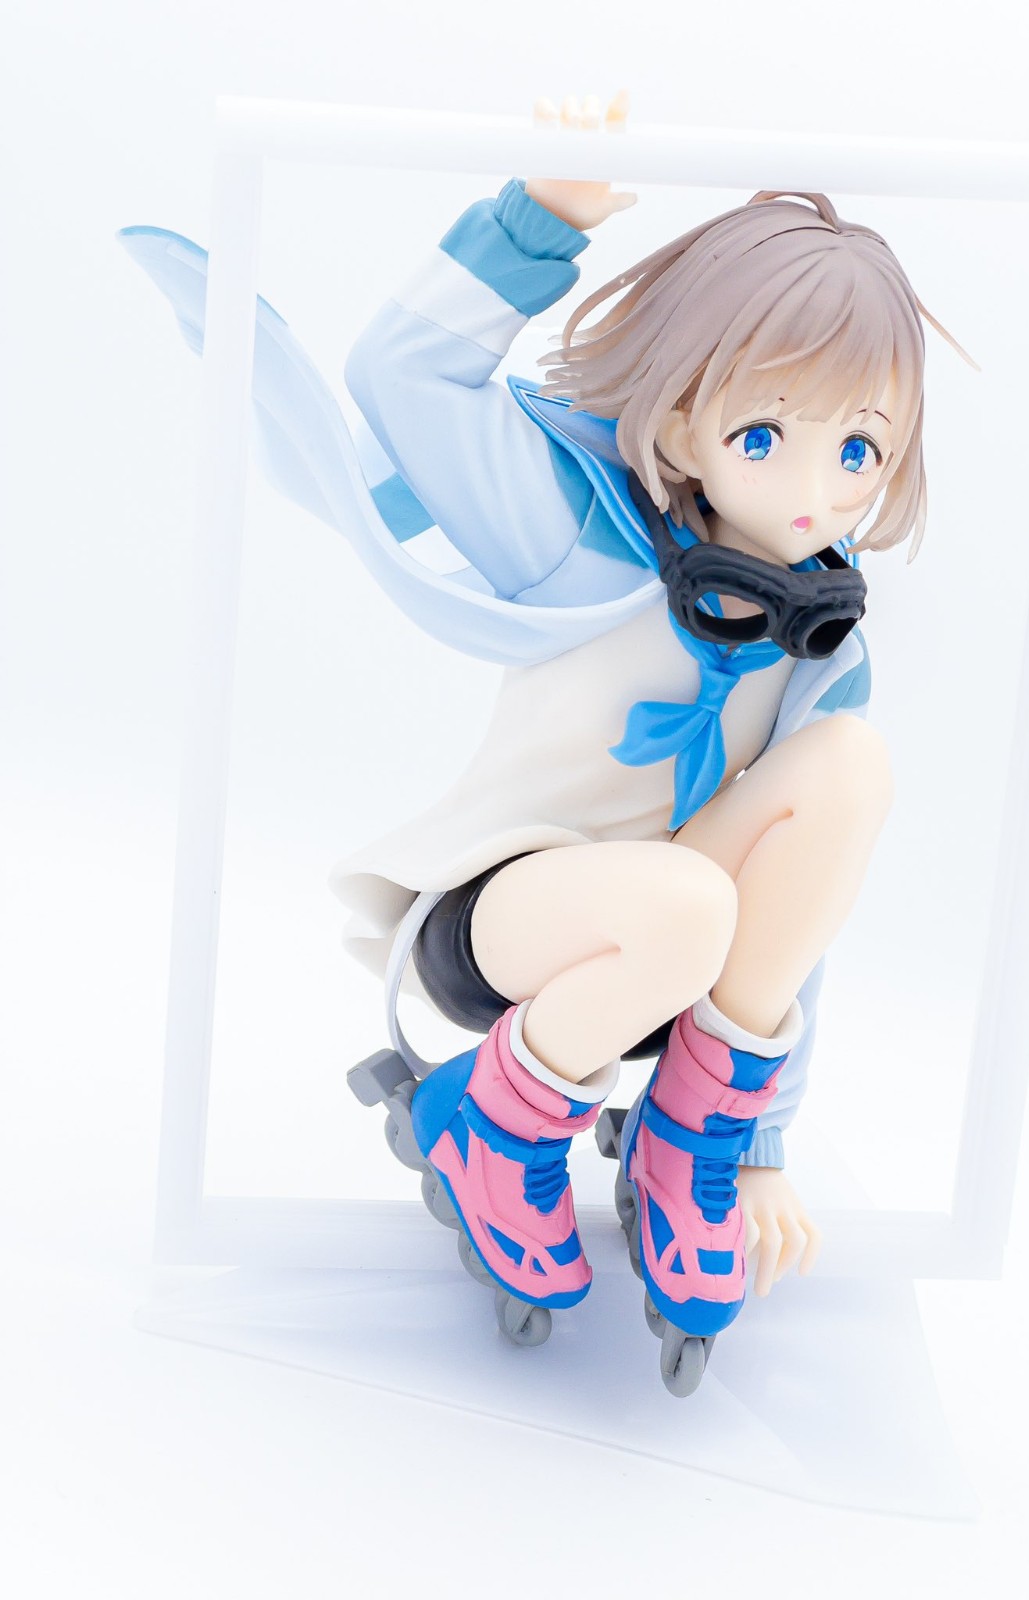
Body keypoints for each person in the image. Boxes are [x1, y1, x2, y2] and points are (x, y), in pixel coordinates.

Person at [121, 93, 957, 1374]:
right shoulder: (579, 533)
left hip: (680, 963)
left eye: (860, 449)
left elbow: (805, 913)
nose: (815, 492)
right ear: (679, 426)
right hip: (505, 921)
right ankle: (492, 1123)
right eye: (764, 435)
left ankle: (691, 1135)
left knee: (849, 770)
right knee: (684, 899)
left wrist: (763, 1140)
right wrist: (537, 222)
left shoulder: (820, 641)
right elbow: (404, 375)